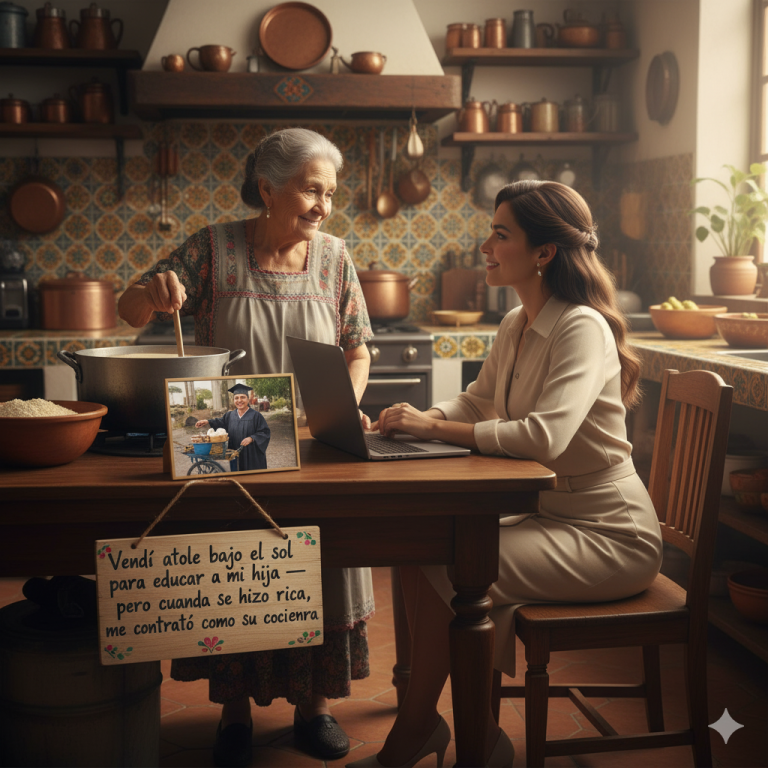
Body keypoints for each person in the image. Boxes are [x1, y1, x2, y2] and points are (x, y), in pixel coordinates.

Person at [351, 181, 663, 768]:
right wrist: (418, 418)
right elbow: (476, 400)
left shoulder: (581, 327)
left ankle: (423, 730)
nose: (485, 247)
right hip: (550, 519)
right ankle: (470, 734)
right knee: (422, 549)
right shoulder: (518, 322)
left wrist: (434, 429)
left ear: (544, 252)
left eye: (500, 234)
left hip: (610, 534)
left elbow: (545, 437)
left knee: (450, 564)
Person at [119, 128, 375, 767]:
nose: (323, 206)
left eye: (330, 194)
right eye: (311, 190)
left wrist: (340, 407)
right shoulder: (211, 248)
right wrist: (152, 291)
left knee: (318, 563)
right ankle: (233, 714)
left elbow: (358, 349)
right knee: (233, 567)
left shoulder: (336, 257)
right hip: (225, 443)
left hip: (312, 443)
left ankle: (315, 707)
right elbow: (129, 310)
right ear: (267, 188)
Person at [196, 383, 270, 471]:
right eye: (236, 398)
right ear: (233, 400)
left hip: (251, 456)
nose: (239, 400)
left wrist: (252, 438)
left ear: (248, 399)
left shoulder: (256, 416)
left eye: (243, 397)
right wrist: (207, 421)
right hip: (234, 452)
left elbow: (264, 432)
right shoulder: (230, 415)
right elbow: (220, 422)